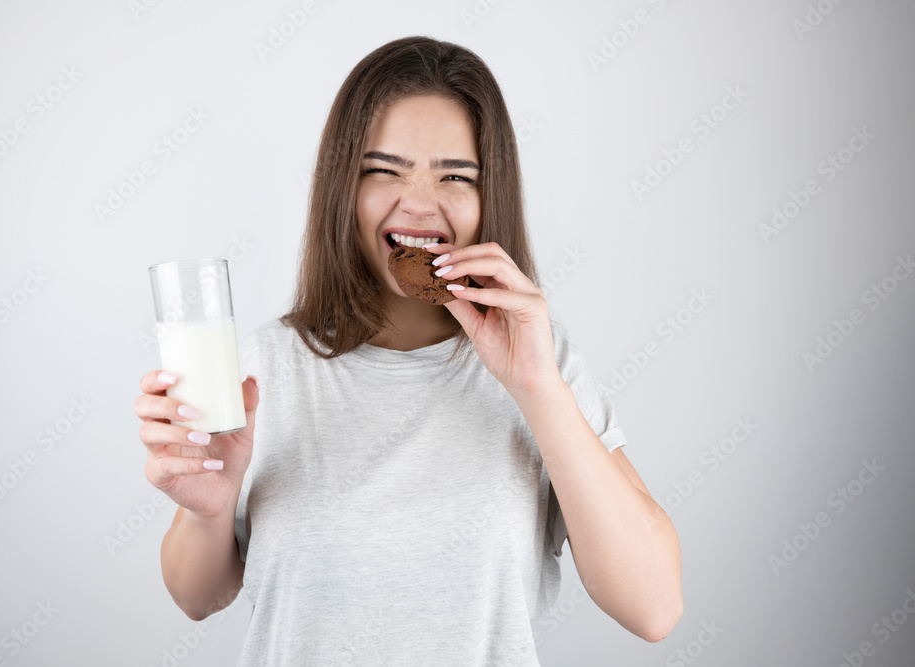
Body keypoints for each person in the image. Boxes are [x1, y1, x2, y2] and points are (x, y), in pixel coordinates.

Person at [134, 35, 683, 665]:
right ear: (342, 185)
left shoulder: (543, 364)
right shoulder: (264, 369)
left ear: (489, 197)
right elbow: (196, 597)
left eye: (455, 175)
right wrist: (208, 512)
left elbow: (654, 607)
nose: (419, 204)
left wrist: (535, 386)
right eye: (384, 170)